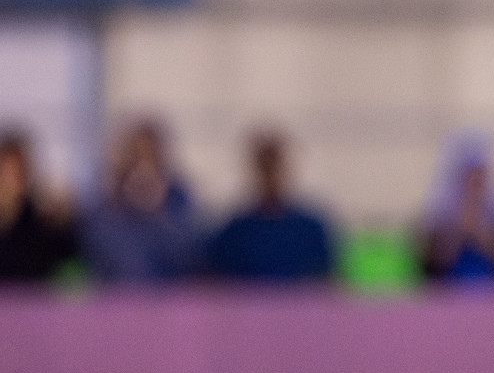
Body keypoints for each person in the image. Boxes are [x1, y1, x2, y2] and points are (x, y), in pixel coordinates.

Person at [80, 119, 203, 283]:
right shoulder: (105, 204)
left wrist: (156, 211)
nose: (143, 167)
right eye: (136, 157)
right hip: (114, 300)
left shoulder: (178, 198)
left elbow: (189, 257)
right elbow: (96, 253)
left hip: (169, 300)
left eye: (150, 156)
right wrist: (123, 205)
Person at [205, 131, 334, 282]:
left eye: (275, 167)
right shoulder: (235, 232)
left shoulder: (311, 229)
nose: (270, 176)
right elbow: (213, 280)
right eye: (265, 168)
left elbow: (327, 280)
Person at [420, 131, 494, 281]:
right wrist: (459, 231)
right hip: (448, 292)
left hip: (492, 291)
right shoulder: (441, 214)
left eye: (479, 178)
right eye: (469, 178)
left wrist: (481, 233)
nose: (474, 185)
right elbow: (430, 262)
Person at [0, 130, 78, 282]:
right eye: (7, 171)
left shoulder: (42, 228)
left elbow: (68, 269)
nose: (13, 180)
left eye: (20, 171)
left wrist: (67, 224)